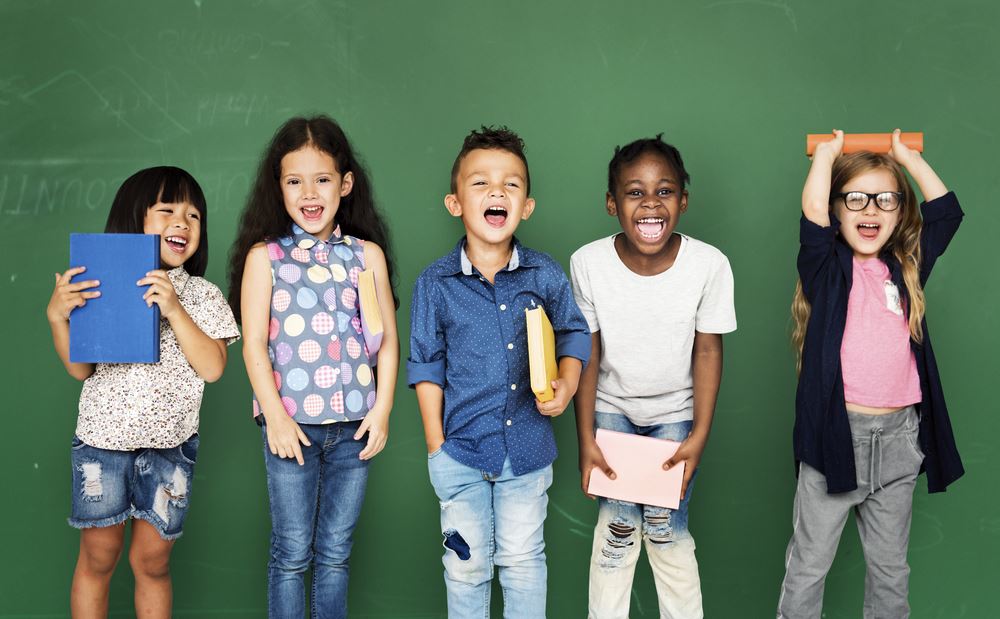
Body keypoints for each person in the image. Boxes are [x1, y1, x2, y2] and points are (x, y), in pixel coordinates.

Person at [776, 129, 964, 618]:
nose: (870, 210)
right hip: (836, 439)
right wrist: (825, 156)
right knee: (809, 565)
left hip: (899, 440)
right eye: (856, 199)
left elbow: (946, 212)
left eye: (885, 200)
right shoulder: (825, 268)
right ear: (838, 211)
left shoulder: (906, 268)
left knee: (890, 571)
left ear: (901, 212)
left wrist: (907, 158)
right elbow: (812, 213)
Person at [407, 126, 591, 618]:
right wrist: (434, 444)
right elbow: (425, 366)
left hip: (527, 452)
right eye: (481, 183)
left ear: (526, 206)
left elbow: (574, 334)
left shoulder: (544, 274)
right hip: (460, 453)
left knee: (523, 560)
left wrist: (568, 384)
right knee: (465, 567)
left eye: (511, 184)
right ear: (455, 203)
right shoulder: (435, 283)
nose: (496, 192)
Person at [47, 166, 239, 618]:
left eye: (194, 216)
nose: (183, 223)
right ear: (134, 220)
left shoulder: (204, 295)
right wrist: (58, 318)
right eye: (167, 211)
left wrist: (174, 308)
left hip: (170, 449)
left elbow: (212, 368)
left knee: (152, 563)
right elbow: (80, 370)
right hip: (102, 446)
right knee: (98, 557)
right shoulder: (102, 287)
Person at [228, 115, 399, 619]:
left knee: (335, 555)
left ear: (345, 184)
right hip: (292, 430)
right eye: (294, 180)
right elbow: (253, 344)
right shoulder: (266, 257)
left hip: (355, 428)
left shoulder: (366, 256)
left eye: (322, 179)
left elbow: (385, 342)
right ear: (278, 187)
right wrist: (276, 418)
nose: (310, 193)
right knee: (291, 554)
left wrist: (383, 409)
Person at [571, 134, 736, 619]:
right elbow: (589, 354)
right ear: (611, 204)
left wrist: (700, 433)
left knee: (666, 528)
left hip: (677, 414)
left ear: (683, 201)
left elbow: (708, 350)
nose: (650, 203)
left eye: (664, 191)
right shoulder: (588, 263)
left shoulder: (709, 265)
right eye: (634, 191)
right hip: (612, 409)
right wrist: (586, 437)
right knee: (617, 528)